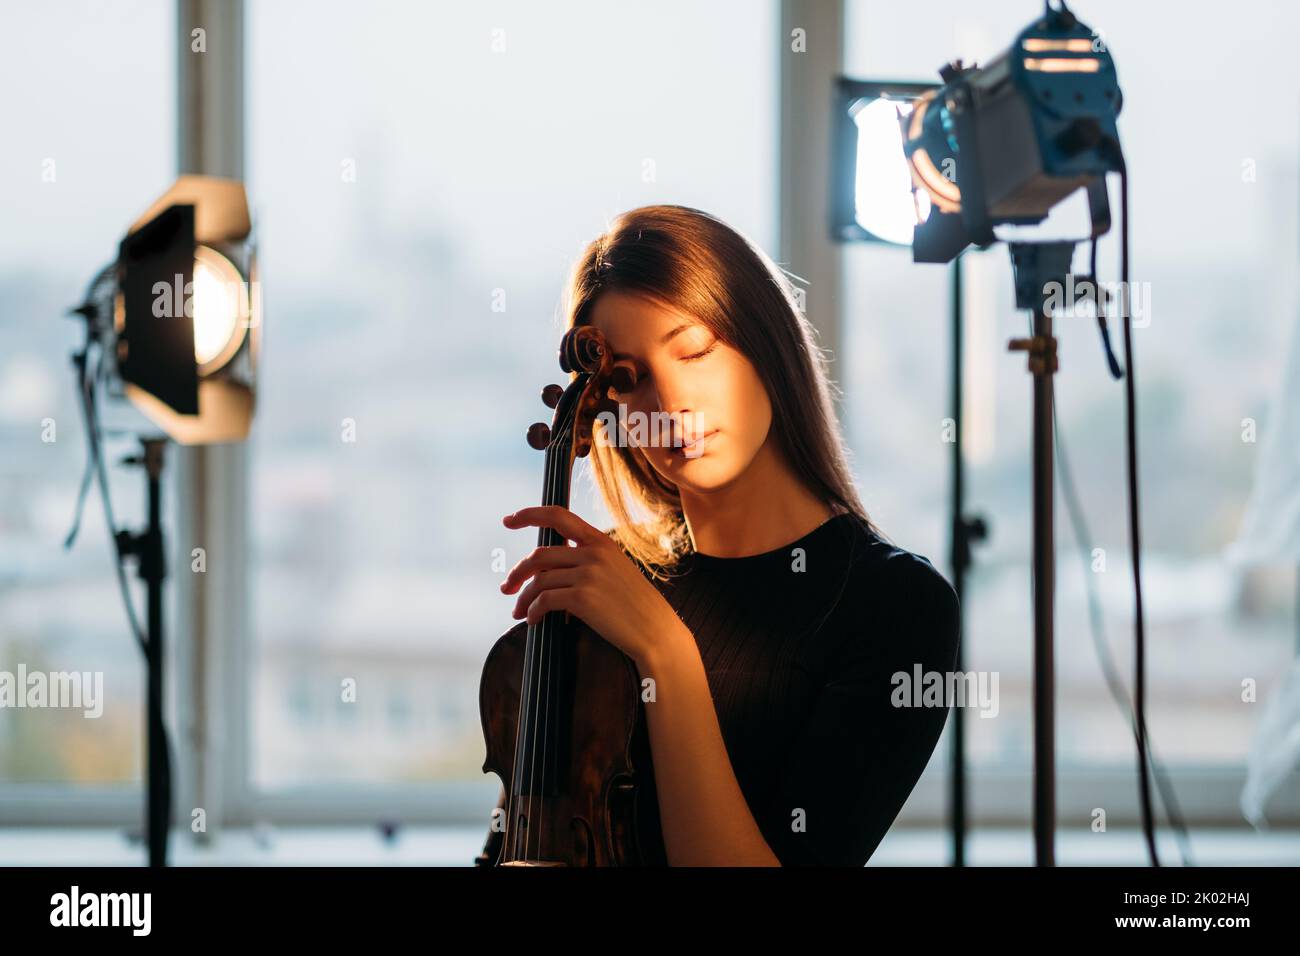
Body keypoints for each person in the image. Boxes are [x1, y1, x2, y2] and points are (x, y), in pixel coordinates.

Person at [476, 205, 959, 866]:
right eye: (630, 377)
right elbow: (516, 842)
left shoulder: (896, 608)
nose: (671, 404)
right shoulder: (606, 578)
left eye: (695, 350)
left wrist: (665, 651)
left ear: (764, 341)